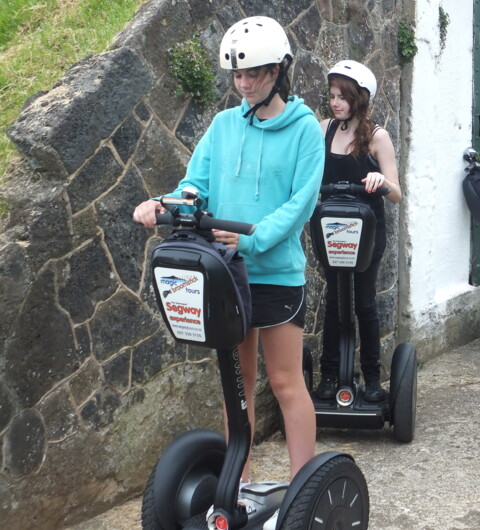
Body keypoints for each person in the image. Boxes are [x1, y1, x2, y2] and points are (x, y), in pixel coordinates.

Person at [133, 16, 321, 529]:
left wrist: (254, 235)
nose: (244, 84)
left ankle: (305, 493)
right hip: (226, 272)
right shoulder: (222, 126)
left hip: (276, 273)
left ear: (279, 71)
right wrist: (162, 202)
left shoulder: (305, 129)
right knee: (236, 384)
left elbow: (300, 204)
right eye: (238, 76)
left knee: (285, 383)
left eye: (255, 74)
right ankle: (233, 491)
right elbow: (195, 185)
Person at [313, 60, 402, 403]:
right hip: (330, 229)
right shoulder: (324, 129)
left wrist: (381, 181)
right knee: (334, 301)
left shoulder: (377, 137)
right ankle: (329, 375)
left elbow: (397, 193)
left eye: (343, 96)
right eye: (332, 95)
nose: (335, 102)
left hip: (366, 233)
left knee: (364, 302)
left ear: (360, 98)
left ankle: (372, 379)